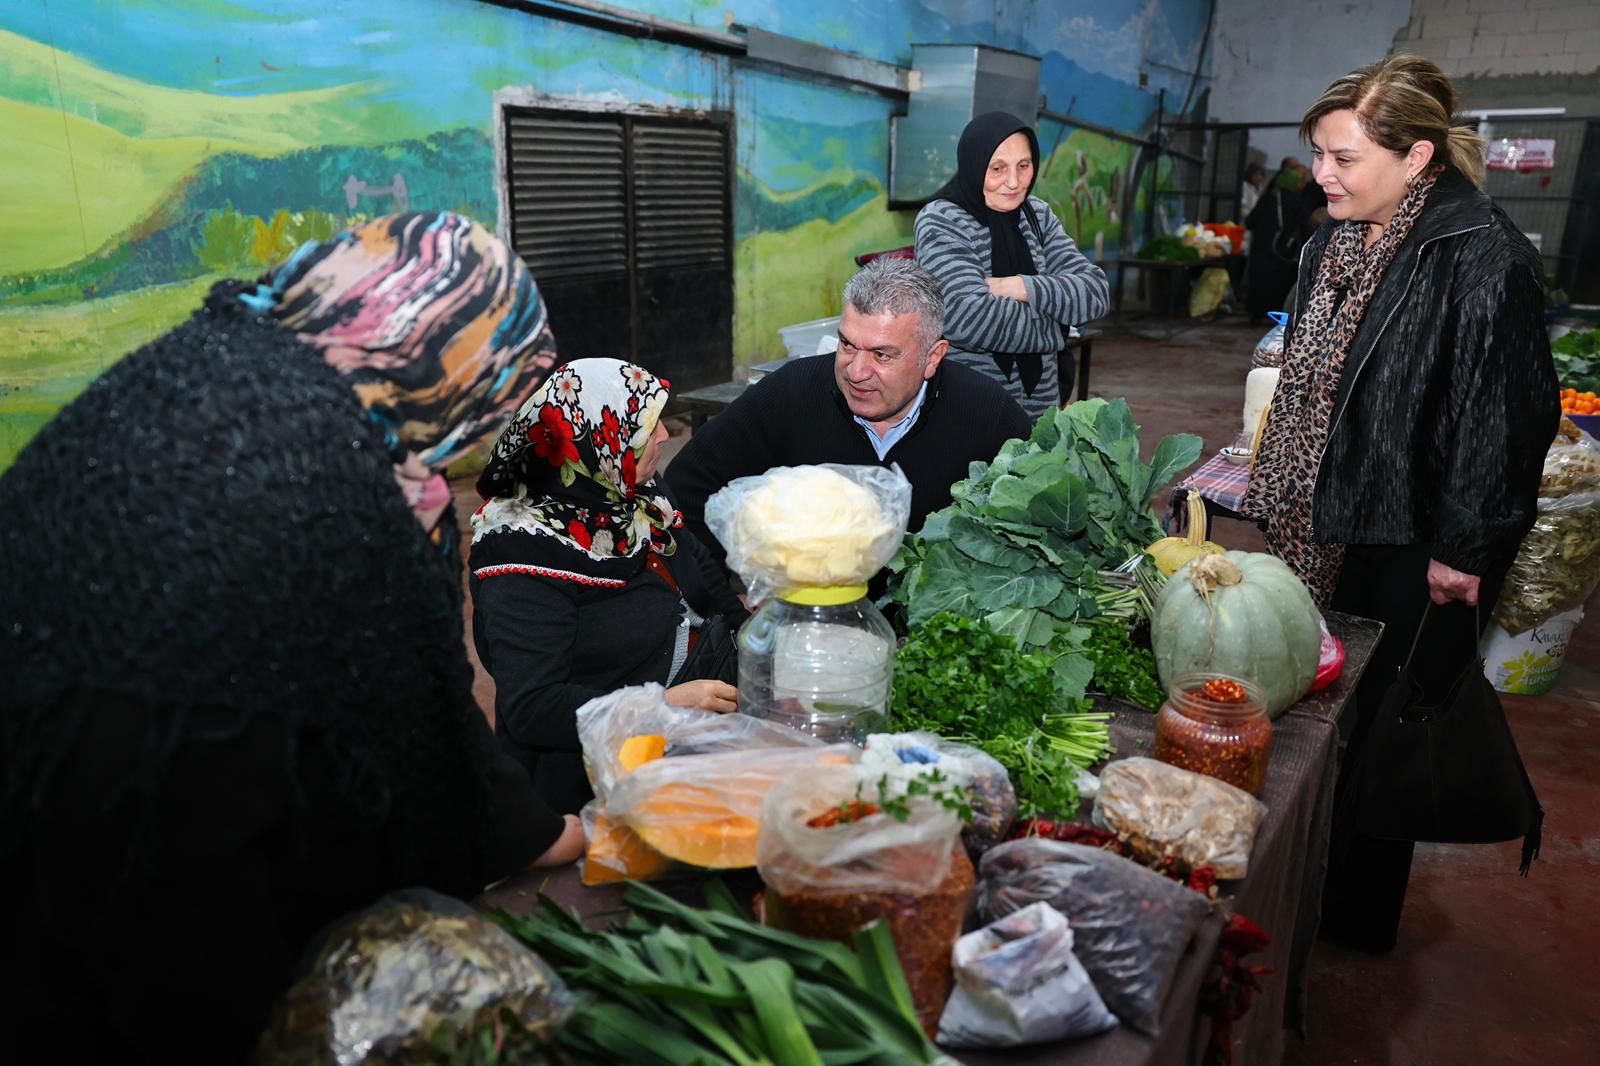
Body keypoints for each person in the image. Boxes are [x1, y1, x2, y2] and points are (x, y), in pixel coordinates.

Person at [0, 212, 585, 1063]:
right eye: (495, 391)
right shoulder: (347, 485)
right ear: (451, 355)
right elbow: (423, 737)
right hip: (150, 857)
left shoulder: (208, 356)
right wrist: (554, 836)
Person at [1238, 56, 1558, 952]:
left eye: (1343, 158)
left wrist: (1468, 547)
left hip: (1409, 538)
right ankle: (1296, 884)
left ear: (1417, 157)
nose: (1323, 175)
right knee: (1310, 713)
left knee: (1380, 733)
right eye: (1318, 156)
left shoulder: (1481, 253)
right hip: (1318, 516)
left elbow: (1508, 416)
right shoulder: (1333, 239)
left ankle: (1350, 925)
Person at [468, 357, 745, 814]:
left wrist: (752, 637)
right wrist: (661, 707)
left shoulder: (627, 493)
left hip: (687, 729)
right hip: (595, 780)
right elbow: (533, 707)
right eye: (647, 427)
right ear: (598, 443)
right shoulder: (521, 553)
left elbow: (693, 561)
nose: (663, 436)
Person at [666, 256, 1032, 586]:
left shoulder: (988, 415)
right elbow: (687, 487)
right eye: (847, 345)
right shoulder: (792, 391)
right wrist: (725, 605)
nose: (856, 372)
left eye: (881, 354)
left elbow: (1030, 538)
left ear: (932, 356)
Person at [914, 111, 1110, 421]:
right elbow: (967, 318)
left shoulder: (1037, 216)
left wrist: (1020, 286)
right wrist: (1059, 326)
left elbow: (1095, 293)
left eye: (1024, 165)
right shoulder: (942, 221)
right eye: (997, 169)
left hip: (1041, 408)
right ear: (973, 164)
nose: (1014, 182)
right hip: (970, 408)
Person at [1244, 163, 1313, 322]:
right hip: (1282, 251)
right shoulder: (1296, 200)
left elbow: (1250, 222)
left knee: (1259, 280)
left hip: (1261, 248)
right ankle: (1277, 316)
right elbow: (1305, 226)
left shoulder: (1269, 197)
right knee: (1279, 283)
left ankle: (1256, 314)